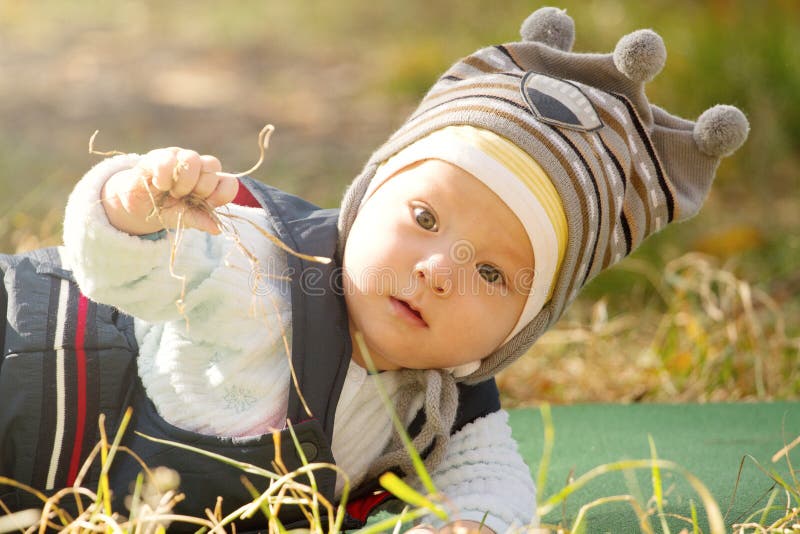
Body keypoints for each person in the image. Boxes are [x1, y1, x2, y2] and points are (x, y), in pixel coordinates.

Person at [0, 7, 748, 533]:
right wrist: (131, 203)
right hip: (25, 353)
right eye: (424, 218)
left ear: (520, 331)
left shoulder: (444, 409)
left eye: (493, 275)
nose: (438, 273)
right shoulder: (265, 258)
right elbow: (114, 272)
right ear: (365, 197)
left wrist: (471, 524)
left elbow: (491, 483)